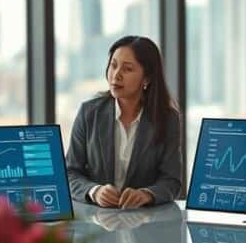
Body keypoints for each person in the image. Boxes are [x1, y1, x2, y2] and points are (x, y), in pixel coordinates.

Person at [65, 36, 183, 209]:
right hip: (97, 224)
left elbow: (172, 180)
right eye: (113, 65)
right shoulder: (89, 113)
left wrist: (146, 194)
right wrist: (94, 191)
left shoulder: (167, 119)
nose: (116, 75)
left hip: (146, 224)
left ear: (147, 78)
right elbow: (70, 173)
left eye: (127, 69)